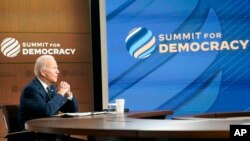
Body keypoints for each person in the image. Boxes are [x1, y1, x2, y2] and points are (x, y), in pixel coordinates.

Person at [19, 55, 78, 141]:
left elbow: (72, 111)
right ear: (43, 72)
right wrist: (61, 93)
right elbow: (46, 111)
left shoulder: (51, 88)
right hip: (38, 136)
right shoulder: (31, 89)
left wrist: (68, 95)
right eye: (54, 68)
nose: (58, 71)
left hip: (52, 135)